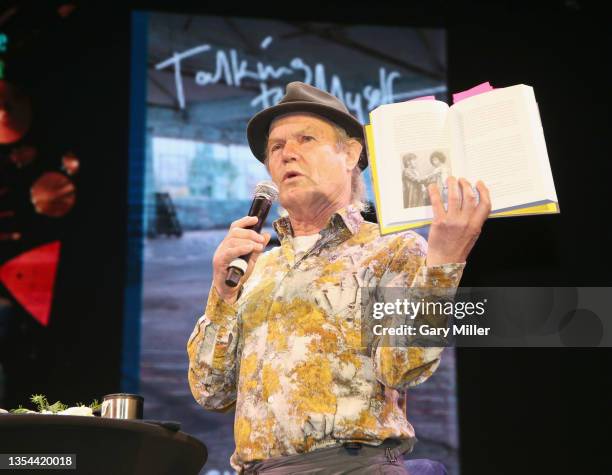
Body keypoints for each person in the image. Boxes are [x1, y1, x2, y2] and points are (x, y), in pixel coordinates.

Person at [187, 82, 491, 474]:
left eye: (306, 139)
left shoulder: (390, 249)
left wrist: (444, 262)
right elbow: (210, 392)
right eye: (276, 147)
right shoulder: (258, 267)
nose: (287, 153)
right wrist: (222, 295)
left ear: (350, 153)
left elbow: (402, 367)